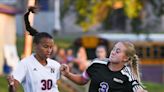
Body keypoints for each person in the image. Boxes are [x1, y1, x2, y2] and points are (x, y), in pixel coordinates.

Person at [7, 7, 61, 92]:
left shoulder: (56, 65)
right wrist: (11, 85)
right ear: (35, 46)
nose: (49, 50)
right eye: (46, 47)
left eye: (51, 47)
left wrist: (67, 72)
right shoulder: (25, 64)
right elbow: (13, 88)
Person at [60, 41, 147, 92]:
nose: (113, 52)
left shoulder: (127, 75)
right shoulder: (97, 63)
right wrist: (67, 74)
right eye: (113, 49)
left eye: (118, 51)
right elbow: (82, 80)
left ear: (125, 58)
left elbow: (138, 89)